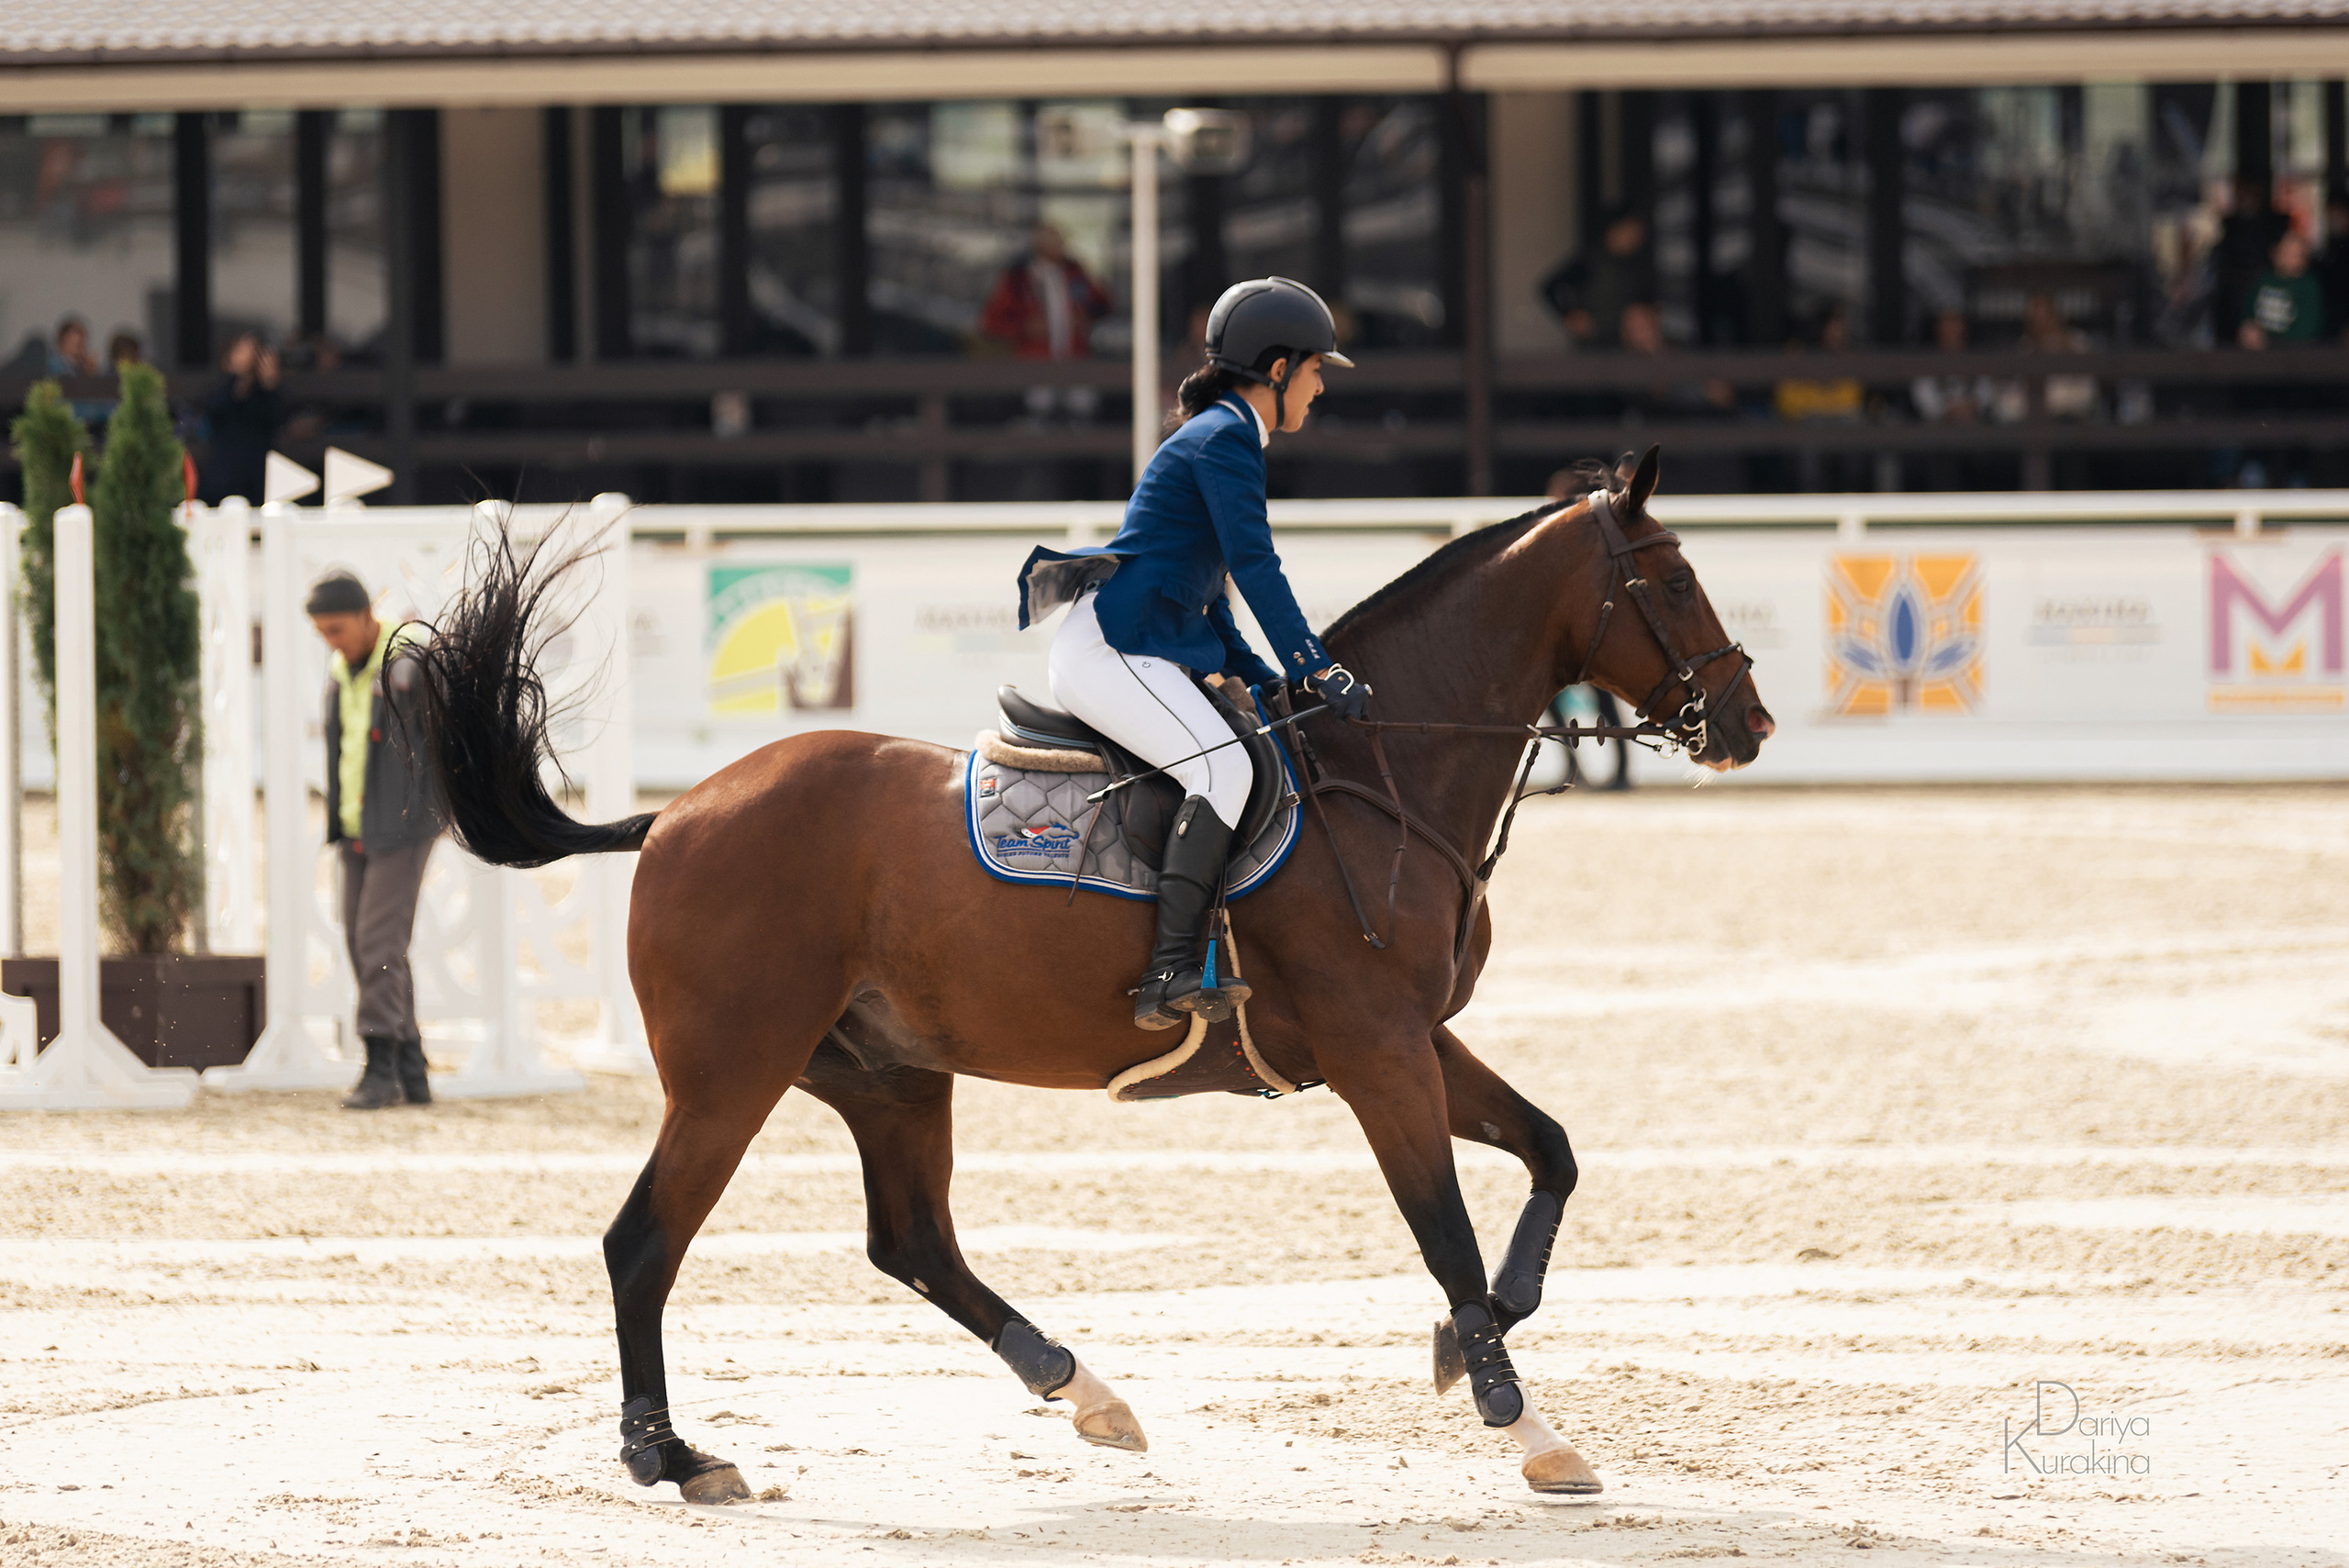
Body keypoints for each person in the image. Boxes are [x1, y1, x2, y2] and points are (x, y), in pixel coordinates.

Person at [1013, 277, 1365, 1030]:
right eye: (1315, 371)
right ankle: (1169, 970)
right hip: (1114, 645)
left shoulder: (1222, 434)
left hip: (1133, 641)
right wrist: (1315, 665)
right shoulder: (1225, 438)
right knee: (1225, 766)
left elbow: (1216, 599)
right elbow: (1256, 565)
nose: (1318, 388)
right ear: (1276, 370)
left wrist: (1271, 682)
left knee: (1237, 751)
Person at [306, 572, 443, 1110]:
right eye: (322, 633)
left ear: (368, 617)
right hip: (357, 826)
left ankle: (379, 1065)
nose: (331, 642)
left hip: (404, 826)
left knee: (378, 945)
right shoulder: (343, 671)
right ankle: (411, 1067)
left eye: (337, 629)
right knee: (364, 944)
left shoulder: (407, 662)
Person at [1543, 462, 1631, 791]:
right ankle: (1579, 767)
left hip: (1587, 636)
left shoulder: (1581, 537)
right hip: (1575, 636)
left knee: (1604, 703)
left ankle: (1610, 769)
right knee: (1594, 703)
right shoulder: (1566, 536)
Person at [980, 223, 1113, 419]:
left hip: (1074, 358)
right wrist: (1025, 328)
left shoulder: (1075, 272)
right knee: (1040, 407)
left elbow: (1103, 303)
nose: (1061, 245)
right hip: (1035, 361)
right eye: (1054, 240)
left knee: (1082, 406)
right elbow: (992, 321)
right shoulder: (1018, 279)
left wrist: (1086, 316)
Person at [1540, 206, 1656, 347]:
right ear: (1613, 230)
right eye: (1630, 231)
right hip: (1593, 342)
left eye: (1639, 234)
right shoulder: (1590, 261)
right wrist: (1570, 314)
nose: (1634, 239)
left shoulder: (1637, 265)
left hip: (1627, 343)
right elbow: (1551, 286)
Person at [204, 331, 284, 505]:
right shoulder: (221, 387)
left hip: (257, 473)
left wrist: (269, 384)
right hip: (224, 473)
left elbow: (277, 419)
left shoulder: (265, 391)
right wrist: (240, 381)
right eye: (241, 350)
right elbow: (215, 411)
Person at [2238, 230, 2324, 349]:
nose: (2292, 259)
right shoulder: (2264, 280)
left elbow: (2306, 330)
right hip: (2255, 353)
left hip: (2291, 357)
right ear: (2275, 252)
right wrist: (2248, 330)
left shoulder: (2308, 286)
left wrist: (2267, 339)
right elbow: (2248, 312)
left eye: (2298, 254)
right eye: (2287, 252)